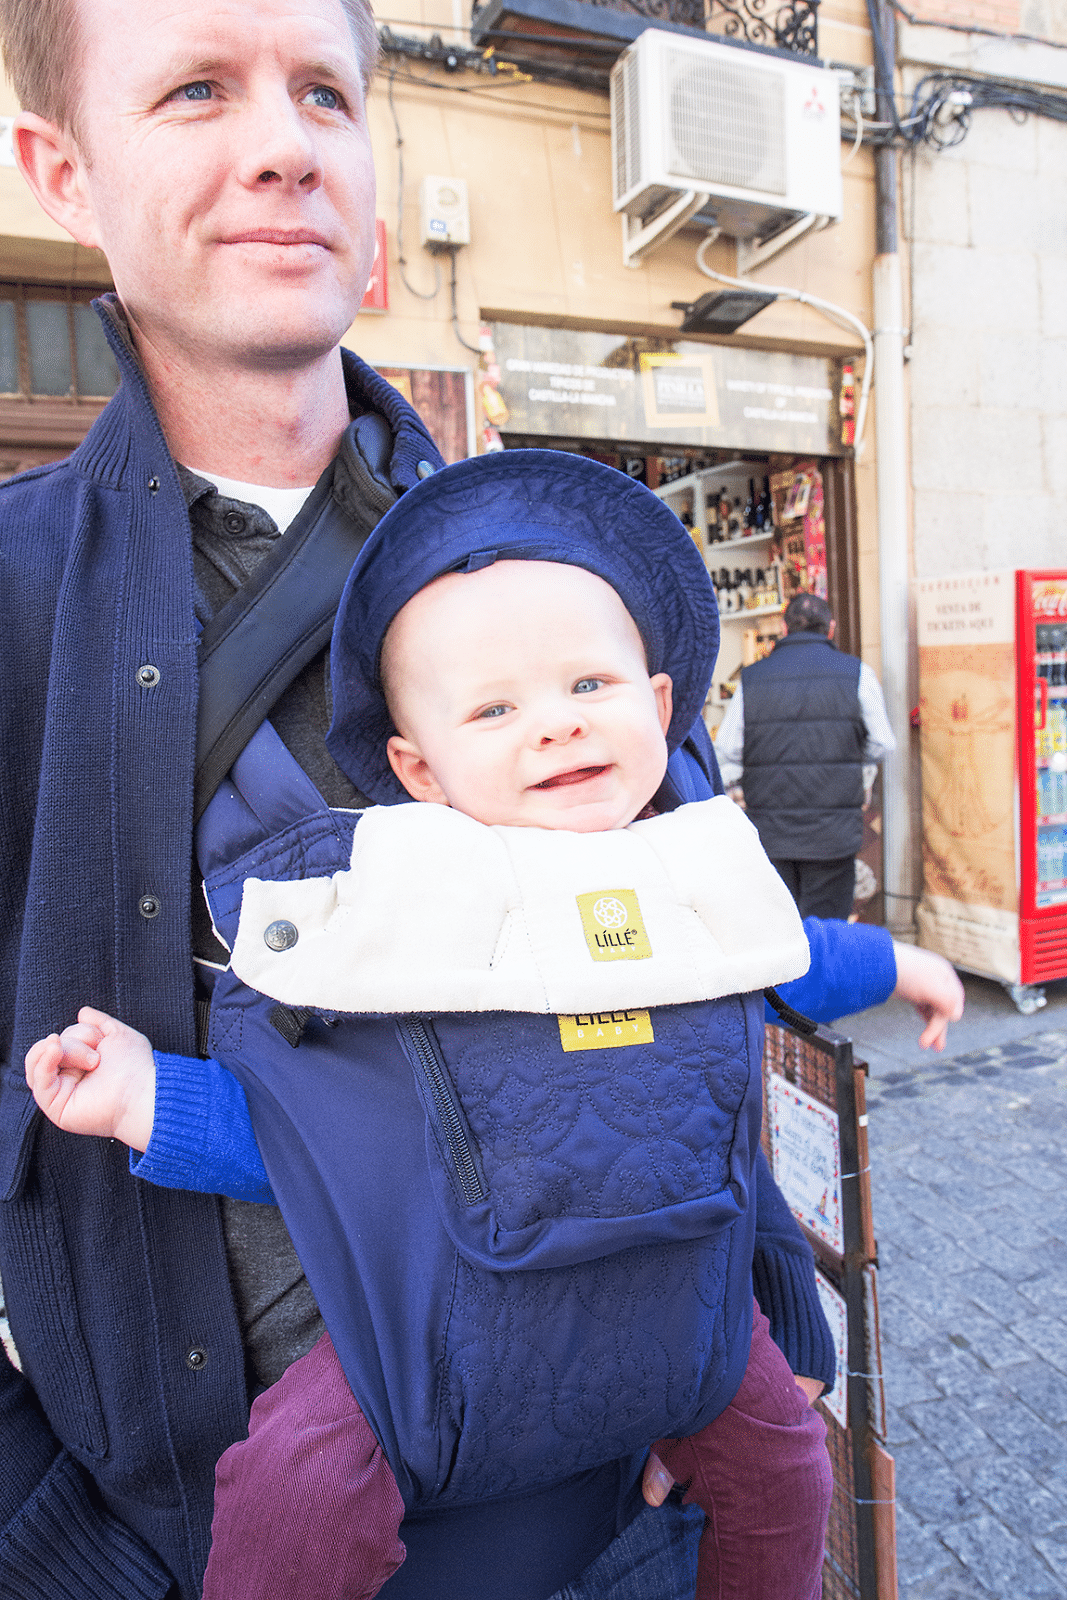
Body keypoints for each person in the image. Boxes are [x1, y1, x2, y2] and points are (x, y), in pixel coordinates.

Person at [0, 0, 962, 1593]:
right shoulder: (16, 602)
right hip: (214, 1527)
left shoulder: (546, 573)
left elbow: (707, 956)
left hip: (608, 1511)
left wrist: (759, 1333)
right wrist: (43, 1540)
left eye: (322, 91)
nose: (278, 146)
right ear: (63, 169)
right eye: (193, 89)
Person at [27, 449, 835, 1600]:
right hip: (433, 1333)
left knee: (785, 1466)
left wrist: (901, 963)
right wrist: (148, 1094)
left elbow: (751, 1062)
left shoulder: (694, 867)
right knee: (295, 1490)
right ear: (416, 767)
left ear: (659, 706)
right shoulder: (404, 901)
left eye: (588, 688)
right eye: (495, 708)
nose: (553, 727)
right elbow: (324, 1139)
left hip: (680, 1313)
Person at [715, 592, 896, 921]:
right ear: (831, 629)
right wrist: (848, 753)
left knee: (782, 928)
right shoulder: (857, 674)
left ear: (785, 629)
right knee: (826, 929)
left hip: (772, 828)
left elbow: (728, 748)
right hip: (833, 832)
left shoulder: (753, 679)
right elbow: (882, 743)